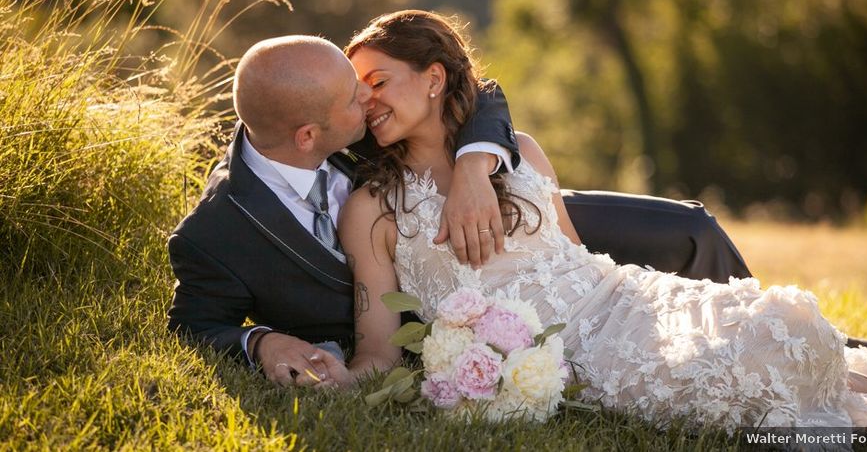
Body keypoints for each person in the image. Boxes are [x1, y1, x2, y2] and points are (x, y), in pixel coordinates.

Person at [315, 10, 867, 429]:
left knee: (769, 326)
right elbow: (378, 349)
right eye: (357, 88)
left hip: (625, 303)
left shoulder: (520, 151)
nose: (366, 100)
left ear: (432, 79)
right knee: (738, 377)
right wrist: (330, 376)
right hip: (573, 361)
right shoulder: (372, 210)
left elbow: (577, 259)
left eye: (379, 80)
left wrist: (647, 305)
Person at [167, 34, 757, 386]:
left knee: (689, 230)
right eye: (355, 98)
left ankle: (754, 327)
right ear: (306, 136)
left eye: (367, 85)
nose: (366, 99)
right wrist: (262, 343)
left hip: (515, 212)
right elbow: (192, 325)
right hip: (444, 266)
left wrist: (476, 166)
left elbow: (481, 90)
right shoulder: (216, 233)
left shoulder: (327, 91)